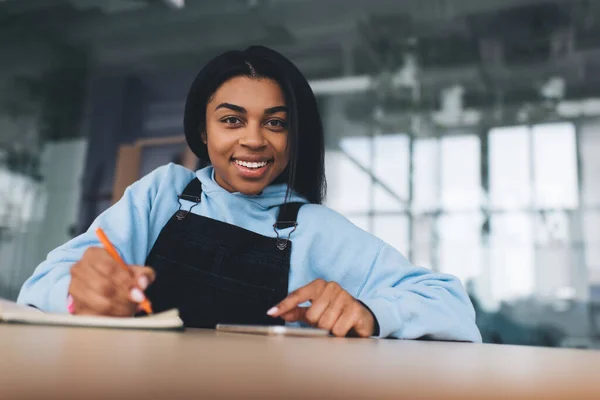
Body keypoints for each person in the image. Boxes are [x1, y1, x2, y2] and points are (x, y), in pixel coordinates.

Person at [17, 45, 481, 341]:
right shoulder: (162, 194)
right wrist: (82, 297)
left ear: (293, 137)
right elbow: (40, 286)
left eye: (275, 123)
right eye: (232, 120)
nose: (254, 139)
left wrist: (371, 312)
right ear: (203, 128)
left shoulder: (314, 227)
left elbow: (450, 305)